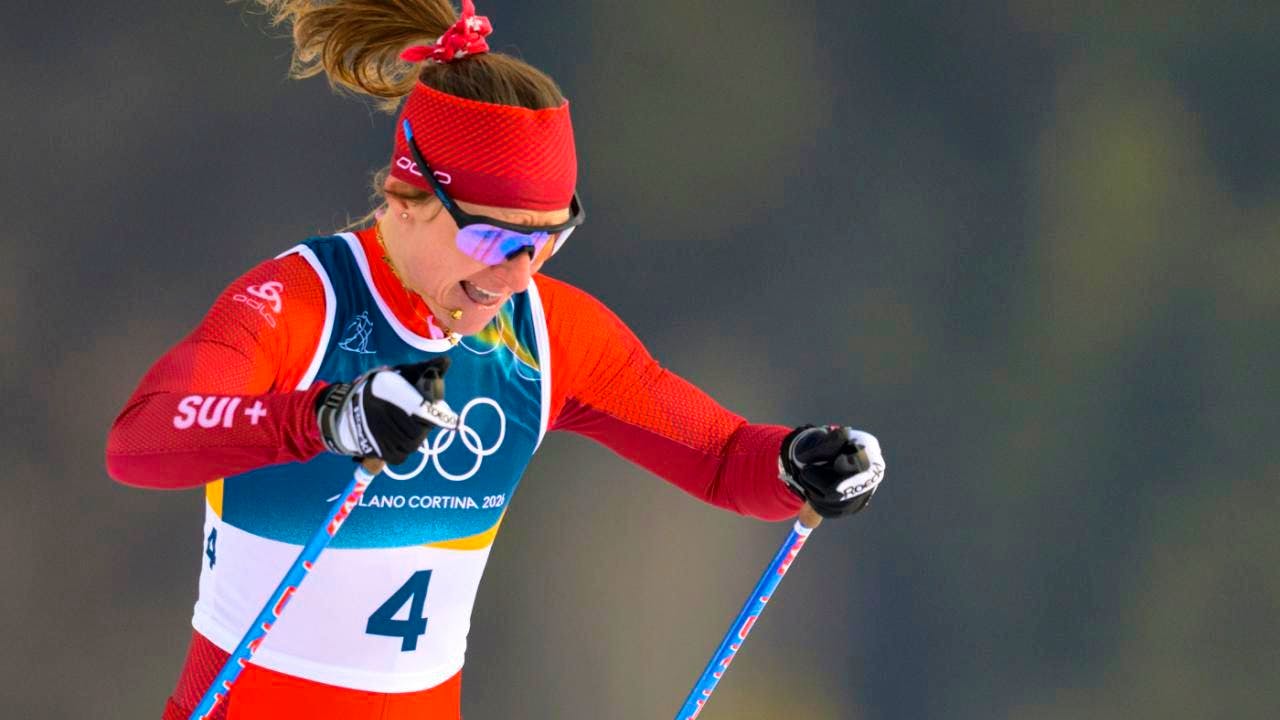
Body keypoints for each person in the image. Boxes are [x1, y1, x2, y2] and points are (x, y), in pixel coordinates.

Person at [105, 1, 887, 718]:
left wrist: (799, 462)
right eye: (490, 238)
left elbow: (720, 458)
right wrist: (325, 418)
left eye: (545, 240)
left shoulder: (550, 336)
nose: (517, 276)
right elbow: (140, 441)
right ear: (406, 199)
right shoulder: (300, 303)